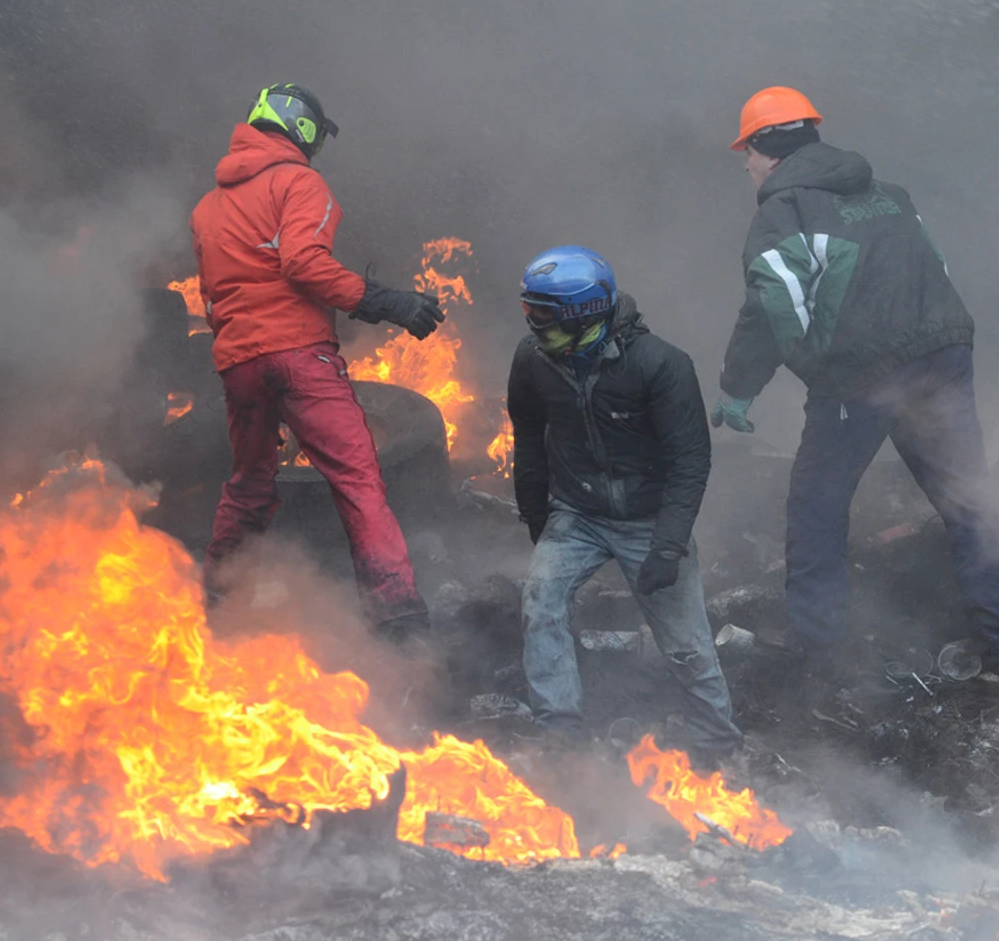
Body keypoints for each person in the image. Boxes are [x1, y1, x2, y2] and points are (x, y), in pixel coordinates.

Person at [711, 87, 999, 674]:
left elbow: (770, 306)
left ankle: (817, 653)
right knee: (968, 499)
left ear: (768, 150)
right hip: (943, 353)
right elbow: (935, 268)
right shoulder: (888, 195)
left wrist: (742, 386)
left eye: (747, 153)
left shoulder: (783, 213)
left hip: (862, 376)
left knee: (817, 505)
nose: (746, 166)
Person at [190, 84, 446, 635]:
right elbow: (303, 264)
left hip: (239, 363)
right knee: (357, 480)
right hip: (299, 357)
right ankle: (398, 619)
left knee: (250, 482)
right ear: (303, 130)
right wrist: (386, 302)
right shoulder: (300, 182)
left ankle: (218, 605)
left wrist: (242, 343)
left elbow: (211, 298)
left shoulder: (207, 206)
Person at [507, 246, 742, 759]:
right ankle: (561, 734)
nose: (532, 325)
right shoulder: (533, 360)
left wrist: (668, 545)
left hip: (648, 520)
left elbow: (690, 461)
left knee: (686, 645)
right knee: (540, 603)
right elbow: (527, 435)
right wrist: (536, 513)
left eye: (543, 315)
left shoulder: (661, 365)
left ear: (583, 313)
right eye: (529, 310)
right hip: (578, 513)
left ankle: (719, 745)